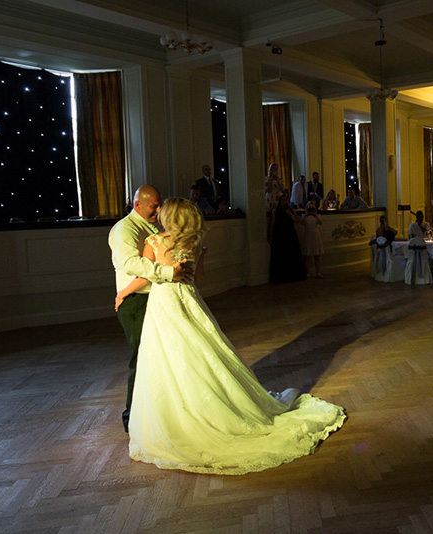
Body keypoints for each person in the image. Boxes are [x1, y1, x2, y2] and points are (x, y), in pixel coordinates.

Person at [114, 198, 345, 474]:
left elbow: (147, 278)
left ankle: (180, 417)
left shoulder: (154, 242)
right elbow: (196, 279)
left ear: (169, 217)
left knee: (166, 357)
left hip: (163, 305)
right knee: (201, 351)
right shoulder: (193, 243)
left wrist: (124, 292)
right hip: (189, 301)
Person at [108, 185, 192, 432]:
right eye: (154, 205)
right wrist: (170, 273)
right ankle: (133, 419)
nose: (158, 209)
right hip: (135, 302)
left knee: (156, 359)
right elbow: (132, 264)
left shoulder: (153, 228)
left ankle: (157, 412)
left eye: (160, 204)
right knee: (141, 359)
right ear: (138, 206)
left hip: (153, 298)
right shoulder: (125, 229)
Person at [269, 192, 306, 283]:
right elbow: (271, 225)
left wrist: (289, 214)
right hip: (279, 235)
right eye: (282, 200)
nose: (284, 202)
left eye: (286, 200)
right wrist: (270, 236)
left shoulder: (291, 210)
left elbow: (297, 220)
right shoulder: (275, 211)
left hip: (290, 235)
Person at [300, 201, 324, 278]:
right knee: (307, 256)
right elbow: (302, 222)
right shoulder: (304, 216)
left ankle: (318, 272)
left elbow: (320, 222)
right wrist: (306, 213)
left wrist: (315, 214)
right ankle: (307, 273)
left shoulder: (318, 216)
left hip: (315, 236)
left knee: (317, 256)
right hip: (308, 235)